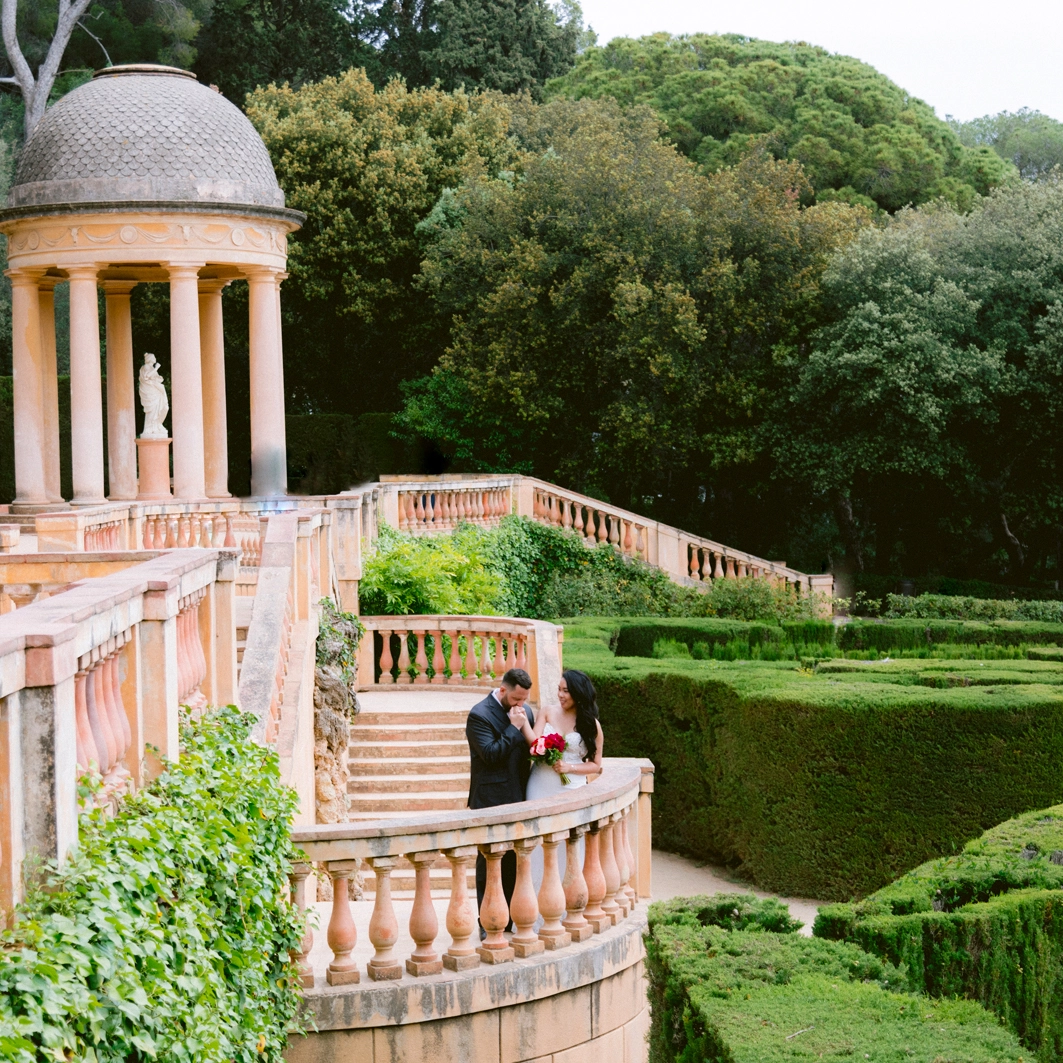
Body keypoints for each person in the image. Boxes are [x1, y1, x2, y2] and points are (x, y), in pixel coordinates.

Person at [523, 670, 604, 914]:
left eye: (566, 691)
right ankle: (532, 911)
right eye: (559, 689)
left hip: (571, 788)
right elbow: (533, 743)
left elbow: (596, 765)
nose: (560, 695)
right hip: (540, 784)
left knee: (567, 846)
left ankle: (564, 908)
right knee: (537, 844)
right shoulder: (547, 711)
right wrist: (524, 727)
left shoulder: (592, 725)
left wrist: (569, 767)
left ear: (579, 693)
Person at [466, 667, 536, 936]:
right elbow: (490, 755)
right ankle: (487, 920)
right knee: (489, 860)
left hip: (520, 795)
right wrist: (513, 727)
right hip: (490, 798)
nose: (521, 705)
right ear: (503, 690)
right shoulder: (479, 714)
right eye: (517, 699)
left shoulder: (526, 711)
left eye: (525, 700)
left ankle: (507, 917)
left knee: (513, 861)